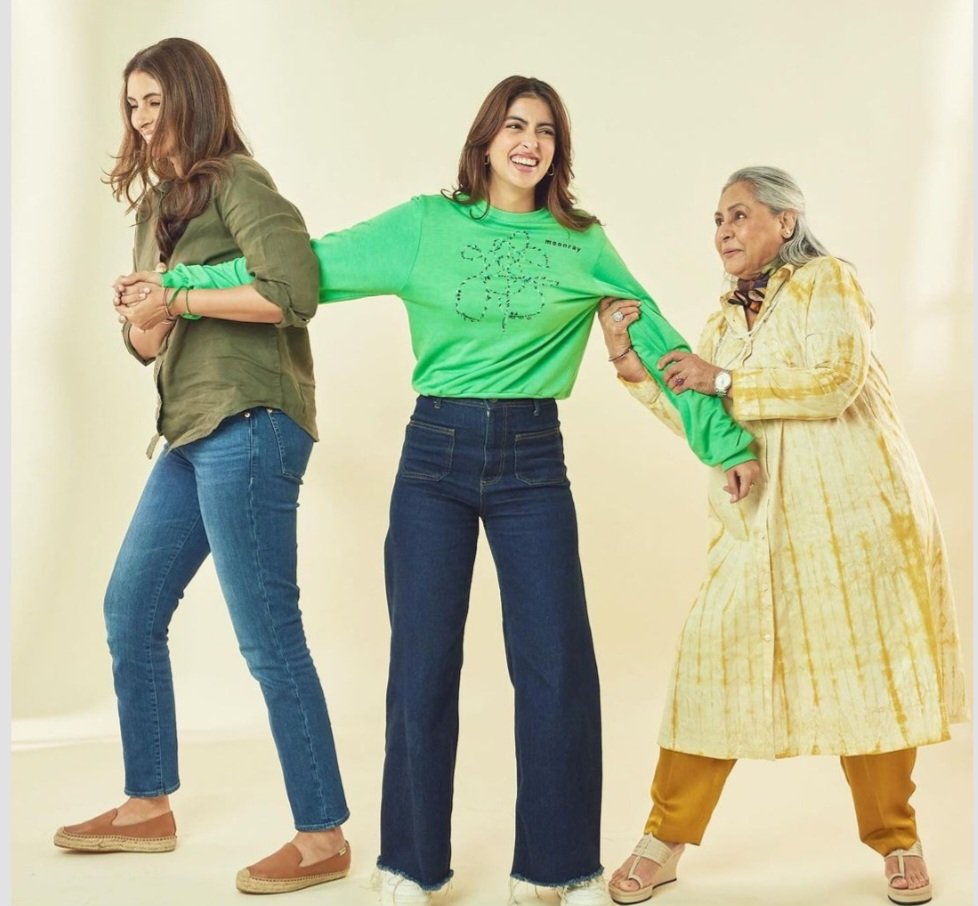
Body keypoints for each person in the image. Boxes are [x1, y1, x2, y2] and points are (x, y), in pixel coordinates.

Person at [115, 76, 760, 906]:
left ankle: (555, 863)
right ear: (486, 139)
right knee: (421, 665)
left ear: (556, 150)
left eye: (546, 131)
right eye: (514, 125)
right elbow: (304, 268)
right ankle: (411, 863)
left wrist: (725, 440)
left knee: (557, 664)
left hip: (532, 459)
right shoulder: (426, 224)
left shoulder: (582, 242)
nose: (529, 141)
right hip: (434, 458)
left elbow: (660, 338)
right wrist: (178, 290)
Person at [597, 166, 967, 905]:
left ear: (786, 223)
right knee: (710, 666)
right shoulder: (721, 321)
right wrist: (629, 362)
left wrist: (723, 382)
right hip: (760, 524)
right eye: (717, 220)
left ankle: (898, 841)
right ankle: (663, 839)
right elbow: (699, 419)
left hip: (858, 519)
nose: (724, 231)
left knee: (870, 676)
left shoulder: (828, 281)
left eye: (739, 215)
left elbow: (836, 380)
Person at [53, 37, 352, 895]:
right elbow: (146, 346)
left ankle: (322, 832)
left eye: (156, 101)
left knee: (267, 634)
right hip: (188, 430)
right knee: (130, 608)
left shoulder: (239, 183)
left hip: (253, 422)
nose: (144, 121)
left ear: (193, 99)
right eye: (133, 106)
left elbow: (293, 288)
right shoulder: (157, 211)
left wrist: (176, 294)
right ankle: (148, 806)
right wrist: (142, 311)